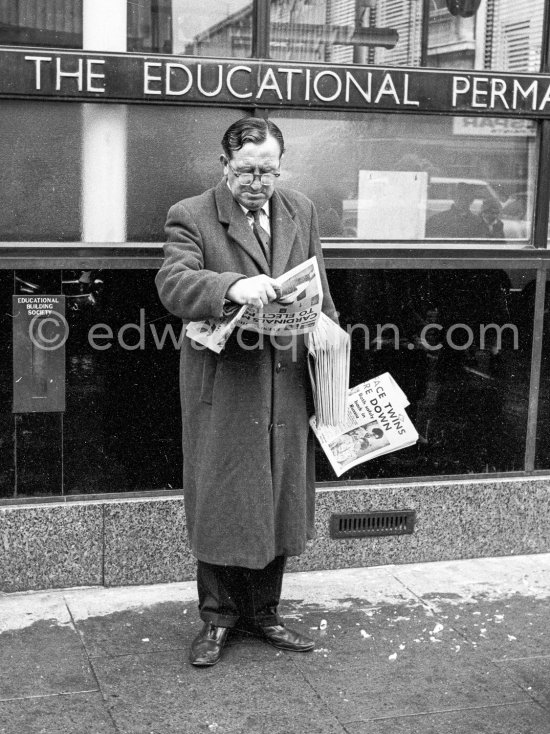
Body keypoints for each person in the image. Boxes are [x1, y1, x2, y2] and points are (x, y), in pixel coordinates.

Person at [155, 117, 338, 667]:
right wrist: (232, 285)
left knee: (278, 496)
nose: (258, 182)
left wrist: (331, 341)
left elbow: (318, 286)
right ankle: (216, 621)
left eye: (268, 171)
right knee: (223, 499)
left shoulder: (299, 209)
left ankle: (264, 614)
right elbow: (173, 281)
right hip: (228, 386)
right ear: (224, 166)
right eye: (247, 172)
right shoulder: (191, 214)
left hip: (286, 380)